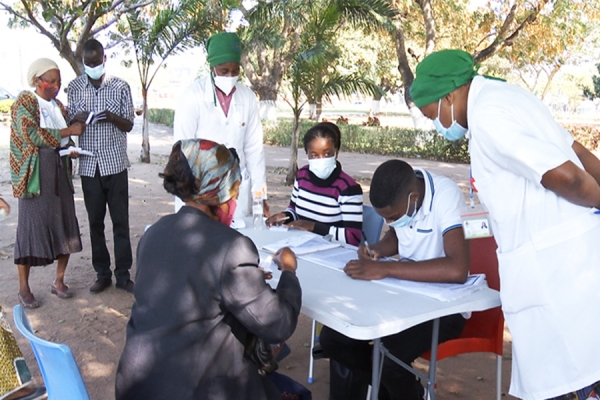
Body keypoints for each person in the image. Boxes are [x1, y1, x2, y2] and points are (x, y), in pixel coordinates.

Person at [410, 49, 600, 400]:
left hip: (556, 273)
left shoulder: (489, 116)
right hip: (572, 261)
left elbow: (567, 176)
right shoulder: (509, 95)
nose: (434, 124)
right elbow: (577, 150)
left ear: (449, 96)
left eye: (431, 113)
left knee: (571, 379)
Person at [115, 139, 304, 400]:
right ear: (222, 193)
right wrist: (290, 273)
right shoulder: (231, 247)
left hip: (137, 387)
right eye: (235, 192)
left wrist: (243, 280)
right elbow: (278, 325)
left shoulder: (154, 233)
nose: (236, 201)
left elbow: (185, 285)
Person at [319, 159, 469, 400]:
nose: (390, 223)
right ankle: (397, 392)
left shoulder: (446, 196)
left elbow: (457, 269)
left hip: (445, 306)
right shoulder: (404, 200)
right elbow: (396, 236)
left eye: (393, 217)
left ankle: (404, 392)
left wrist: (386, 270)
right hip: (404, 295)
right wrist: (377, 250)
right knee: (333, 339)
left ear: (413, 198)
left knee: (389, 359)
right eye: (385, 219)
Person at [9, 58, 84, 308]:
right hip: (35, 179)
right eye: (50, 81)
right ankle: (24, 288)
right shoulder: (25, 102)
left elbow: (64, 139)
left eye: (58, 81)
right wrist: (68, 133)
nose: (55, 85)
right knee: (31, 229)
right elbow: (30, 134)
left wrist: (71, 148)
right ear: (37, 81)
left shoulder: (59, 107)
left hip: (60, 175)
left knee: (64, 224)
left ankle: (59, 281)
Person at [174, 31, 269, 219]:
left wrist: (260, 195)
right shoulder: (193, 96)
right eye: (224, 71)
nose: (230, 76)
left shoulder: (247, 97)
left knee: (235, 242)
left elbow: (254, 149)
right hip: (201, 189)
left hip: (236, 189)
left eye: (235, 71)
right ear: (212, 66)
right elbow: (182, 150)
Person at [67, 39, 136, 294]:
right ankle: (102, 273)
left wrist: (113, 117)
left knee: (121, 222)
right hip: (88, 166)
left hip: (115, 163)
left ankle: (123, 275)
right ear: (83, 62)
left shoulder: (120, 86)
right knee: (95, 222)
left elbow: (129, 124)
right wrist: (77, 118)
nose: (93, 66)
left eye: (97, 62)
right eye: (88, 63)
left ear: (104, 58)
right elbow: (68, 121)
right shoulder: (74, 87)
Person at [266, 122, 363, 246]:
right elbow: (294, 210)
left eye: (327, 154)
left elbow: (353, 237)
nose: (321, 159)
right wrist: (284, 217)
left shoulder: (347, 188)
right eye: (314, 155)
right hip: (300, 244)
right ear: (307, 154)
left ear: (336, 152)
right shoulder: (302, 176)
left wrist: (313, 227)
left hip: (331, 251)